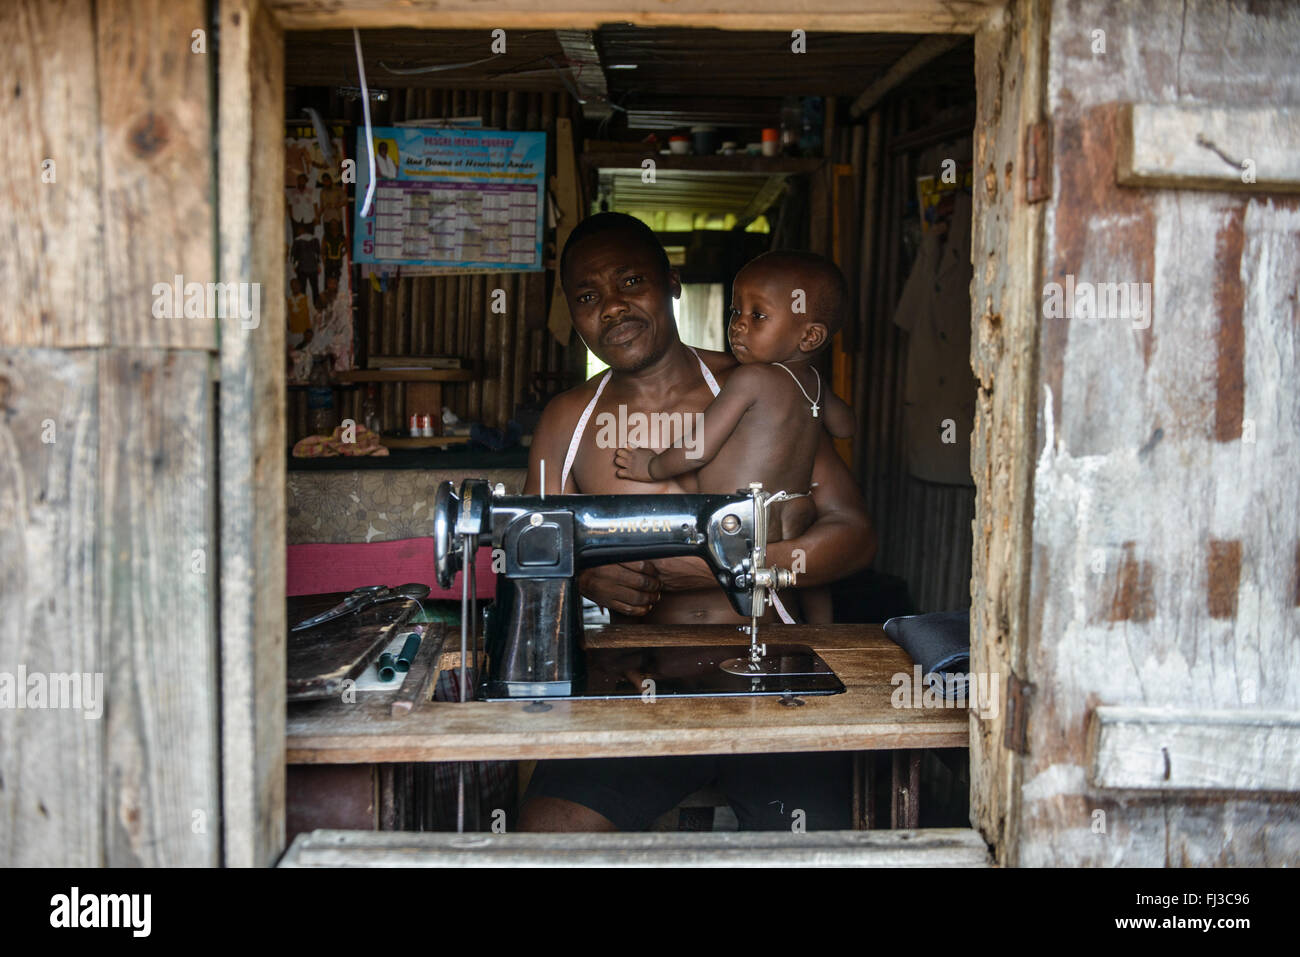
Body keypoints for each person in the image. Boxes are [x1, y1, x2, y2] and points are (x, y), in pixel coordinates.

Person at [518, 213, 877, 832]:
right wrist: (582, 576)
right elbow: (531, 545)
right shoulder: (568, 421)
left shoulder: (765, 390)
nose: (611, 308)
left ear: (671, 282)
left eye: (630, 281)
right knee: (547, 837)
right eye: (586, 296)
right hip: (639, 683)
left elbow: (854, 533)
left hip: (779, 674)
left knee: (820, 849)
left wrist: (747, 565)